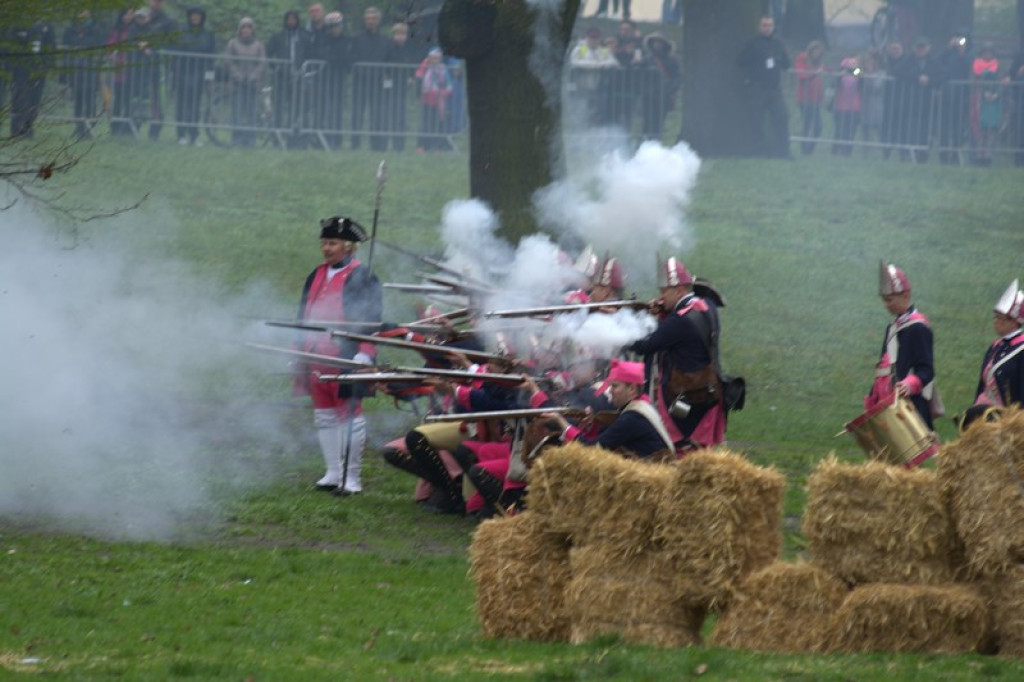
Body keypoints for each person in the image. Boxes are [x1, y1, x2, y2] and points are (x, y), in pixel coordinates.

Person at [295, 216, 382, 495]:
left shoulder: (363, 276)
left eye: (332, 243)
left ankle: (351, 477)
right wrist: (299, 350)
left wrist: (365, 354)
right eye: (324, 243)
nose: (326, 249)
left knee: (350, 415)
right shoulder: (316, 274)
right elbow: (303, 315)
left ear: (348, 246)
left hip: (346, 356)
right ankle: (333, 470)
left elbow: (371, 320)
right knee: (324, 416)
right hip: (316, 355)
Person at [628, 257, 726, 453]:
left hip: (686, 394)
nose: (661, 297)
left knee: (680, 451)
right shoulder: (706, 305)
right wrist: (664, 314)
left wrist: (620, 335)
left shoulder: (679, 321)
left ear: (680, 290)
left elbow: (645, 346)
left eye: (665, 291)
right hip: (707, 390)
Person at [547, 359, 674, 460]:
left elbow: (590, 450)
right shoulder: (640, 406)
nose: (610, 391)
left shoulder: (632, 417)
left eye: (614, 386)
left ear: (632, 389)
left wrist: (561, 423)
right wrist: (594, 423)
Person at [865, 261, 938, 430]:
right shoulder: (892, 329)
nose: (886, 305)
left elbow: (926, 370)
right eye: (884, 300)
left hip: (911, 407)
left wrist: (909, 384)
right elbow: (883, 369)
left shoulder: (919, 328)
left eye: (889, 300)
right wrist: (872, 401)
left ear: (905, 295)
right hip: (889, 406)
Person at [958, 281, 1024, 431]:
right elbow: (983, 386)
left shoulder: (1021, 351)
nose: (996, 320)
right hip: (983, 415)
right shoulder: (995, 346)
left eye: (1000, 317)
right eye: (996, 316)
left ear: (1014, 321)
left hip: (1005, 421)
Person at [737, 15, 791, 159]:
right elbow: (741, 61)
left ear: (773, 27)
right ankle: (758, 150)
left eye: (769, 25)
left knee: (782, 117)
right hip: (757, 88)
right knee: (756, 120)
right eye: (764, 25)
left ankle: (783, 151)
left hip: (774, 89)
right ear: (759, 27)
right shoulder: (752, 43)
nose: (767, 28)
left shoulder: (778, 44)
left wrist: (781, 55)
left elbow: (786, 64)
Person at [173, 6, 215, 147]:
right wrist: (175, 72)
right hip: (182, 73)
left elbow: (211, 58)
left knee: (195, 106)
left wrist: (209, 77)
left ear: (202, 17)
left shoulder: (208, 35)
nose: (194, 18)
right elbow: (176, 53)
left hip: (199, 74)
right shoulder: (182, 33)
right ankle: (181, 134)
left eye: (197, 15)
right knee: (181, 105)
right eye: (192, 15)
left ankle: (194, 134)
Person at [349, 6, 390, 150]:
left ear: (378, 21)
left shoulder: (385, 40)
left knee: (378, 115)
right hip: (360, 82)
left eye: (373, 19)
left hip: (378, 83)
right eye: (367, 19)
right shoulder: (356, 38)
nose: (370, 21)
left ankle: (377, 144)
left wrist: (387, 82)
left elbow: (389, 63)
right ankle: (355, 144)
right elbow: (352, 59)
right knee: (357, 114)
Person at [8, 20, 57, 139]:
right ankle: (15, 129)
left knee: (34, 100)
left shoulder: (47, 26)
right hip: (21, 70)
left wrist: (46, 65)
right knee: (19, 99)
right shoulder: (20, 23)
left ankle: (28, 128)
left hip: (39, 71)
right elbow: (12, 46)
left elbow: (51, 47)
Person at [139, 0, 179, 141]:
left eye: (158, 1)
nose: (155, 3)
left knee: (158, 100)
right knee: (142, 98)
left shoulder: (169, 21)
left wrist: (154, 50)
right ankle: (132, 128)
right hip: (141, 66)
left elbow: (174, 44)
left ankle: (154, 130)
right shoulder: (142, 17)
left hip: (160, 67)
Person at [266, 10, 311, 136]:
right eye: (289, 19)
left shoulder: (304, 37)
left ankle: (292, 135)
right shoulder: (277, 36)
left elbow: (309, 54)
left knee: (296, 107)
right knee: (278, 107)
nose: (291, 22)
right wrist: (275, 66)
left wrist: (305, 69)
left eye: (293, 19)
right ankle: (276, 134)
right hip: (281, 77)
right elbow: (268, 53)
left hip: (298, 77)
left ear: (297, 20)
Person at [224, 17, 266, 148]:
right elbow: (228, 61)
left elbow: (262, 63)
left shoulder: (259, 45)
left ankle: (250, 140)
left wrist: (254, 76)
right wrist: (237, 75)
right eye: (244, 27)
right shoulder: (232, 44)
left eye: (249, 27)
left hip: (253, 84)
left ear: (253, 30)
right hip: (237, 84)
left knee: (252, 113)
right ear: (240, 29)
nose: (246, 30)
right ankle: (237, 139)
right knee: (237, 113)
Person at [62, 10, 104, 141]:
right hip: (76, 71)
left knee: (90, 100)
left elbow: (97, 47)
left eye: (86, 11)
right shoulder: (70, 29)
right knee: (78, 101)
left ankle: (89, 127)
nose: (83, 13)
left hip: (91, 70)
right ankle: (79, 127)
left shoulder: (96, 29)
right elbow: (66, 45)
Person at [381, 22, 424, 151]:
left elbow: (413, 64)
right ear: (394, 35)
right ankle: (383, 144)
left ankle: (399, 146)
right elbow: (384, 64)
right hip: (389, 87)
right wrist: (385, 77)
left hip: (403, 87)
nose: (400, 36)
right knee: (388, 116)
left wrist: (411, 76)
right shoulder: (388, 47)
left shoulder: (410, 48)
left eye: (402, 34)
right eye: (397, 34)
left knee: (401, 117)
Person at [936, 32, 972, 165]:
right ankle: (944, 154)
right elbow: (937, 61)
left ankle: (956, 155)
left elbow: (970, 66)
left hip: (961, 95)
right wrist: (948, 48)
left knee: (958, 127)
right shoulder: (947, 53)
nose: (959, 42)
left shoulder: (968, 54)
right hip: (947, 93)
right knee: (944, 125)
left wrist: (962, 53)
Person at [318, 12, 350, 149]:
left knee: (337, 112)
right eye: (331, 27)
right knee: (324, 110)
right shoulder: (323, 40)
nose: (334, 29)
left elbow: (346, 58)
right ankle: (323, 140)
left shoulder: (347, 40)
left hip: (339, 81)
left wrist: (335, 60)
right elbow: (322, 54)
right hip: (324, 80)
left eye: (336, 26)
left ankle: (337, 141)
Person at [639, 33, 680, 142]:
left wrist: (672, 89)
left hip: (664, 95)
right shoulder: (647, 60)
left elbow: (677, 76)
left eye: (659, 42)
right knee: (647, 122)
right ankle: (646, 145)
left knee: (659, 122)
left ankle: (656, 144)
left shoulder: (671, 59)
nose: (657, 44)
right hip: (648, 95)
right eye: (655, 42)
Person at [415, 47, 452, 152]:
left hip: (439, 102)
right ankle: (421, 146)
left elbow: (449, 86)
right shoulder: (424, 67)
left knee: (437, 125)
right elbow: (418, 77)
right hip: (426, 100)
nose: (434, 61)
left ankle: (436, 147)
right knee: (425, 124)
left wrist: (443, 93)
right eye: (432, 58)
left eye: (436, 58)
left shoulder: (443, 69)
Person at [794, 40, 825, 155]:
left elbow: (832, 70)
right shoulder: (802, 58)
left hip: (816, 99)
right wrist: (816, 73)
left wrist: (856, 71)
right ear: (811, 50)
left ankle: (809, 149)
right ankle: (804, 150)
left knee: (818, 126)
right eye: (816, 51)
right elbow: (801, 74)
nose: (817, 54)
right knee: (807, 124)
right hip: (805, 98)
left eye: (820, 52)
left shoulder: (819, 62)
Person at [832, 57, 862, 156]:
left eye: (854, 63)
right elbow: (835, 81)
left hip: (854, 106)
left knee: (851, 130)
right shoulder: (840, 73)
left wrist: (852, 70)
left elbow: (859, 74)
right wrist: (843, 71)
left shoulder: (858, 72)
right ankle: (836, 150)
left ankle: (847, 151)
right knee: (839, 129)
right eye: (850, 63)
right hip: (840, 105)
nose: (853, 65)